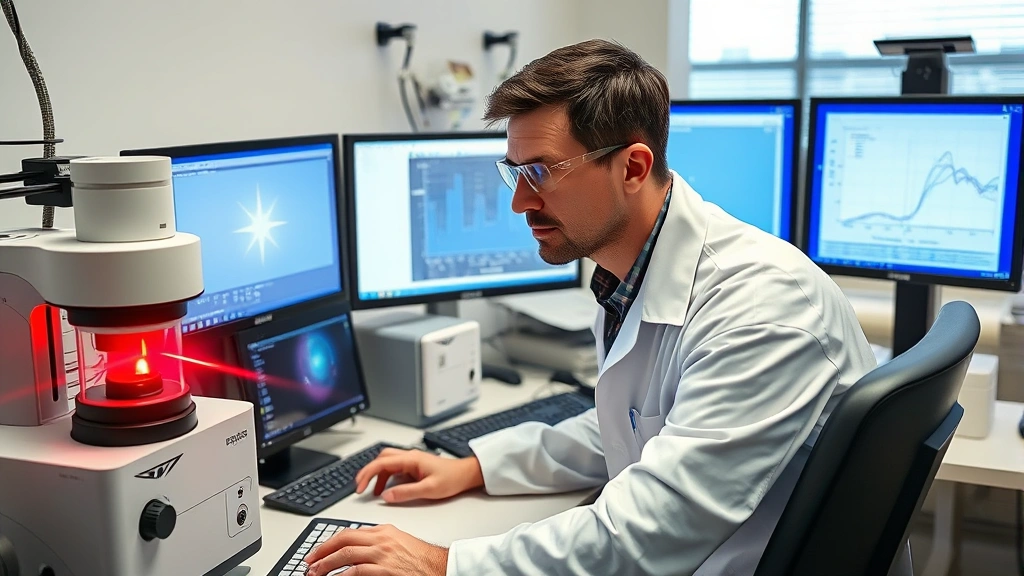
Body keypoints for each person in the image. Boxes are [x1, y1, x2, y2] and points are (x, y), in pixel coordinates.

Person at [304, 39, 887, 576]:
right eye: (514, 170)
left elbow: (655, 528)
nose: (519, 202)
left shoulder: (764, 309)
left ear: (632, 168)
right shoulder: (627, 272)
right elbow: (629, 424)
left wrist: (443, 563)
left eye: (540, 173)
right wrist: (477, 467)